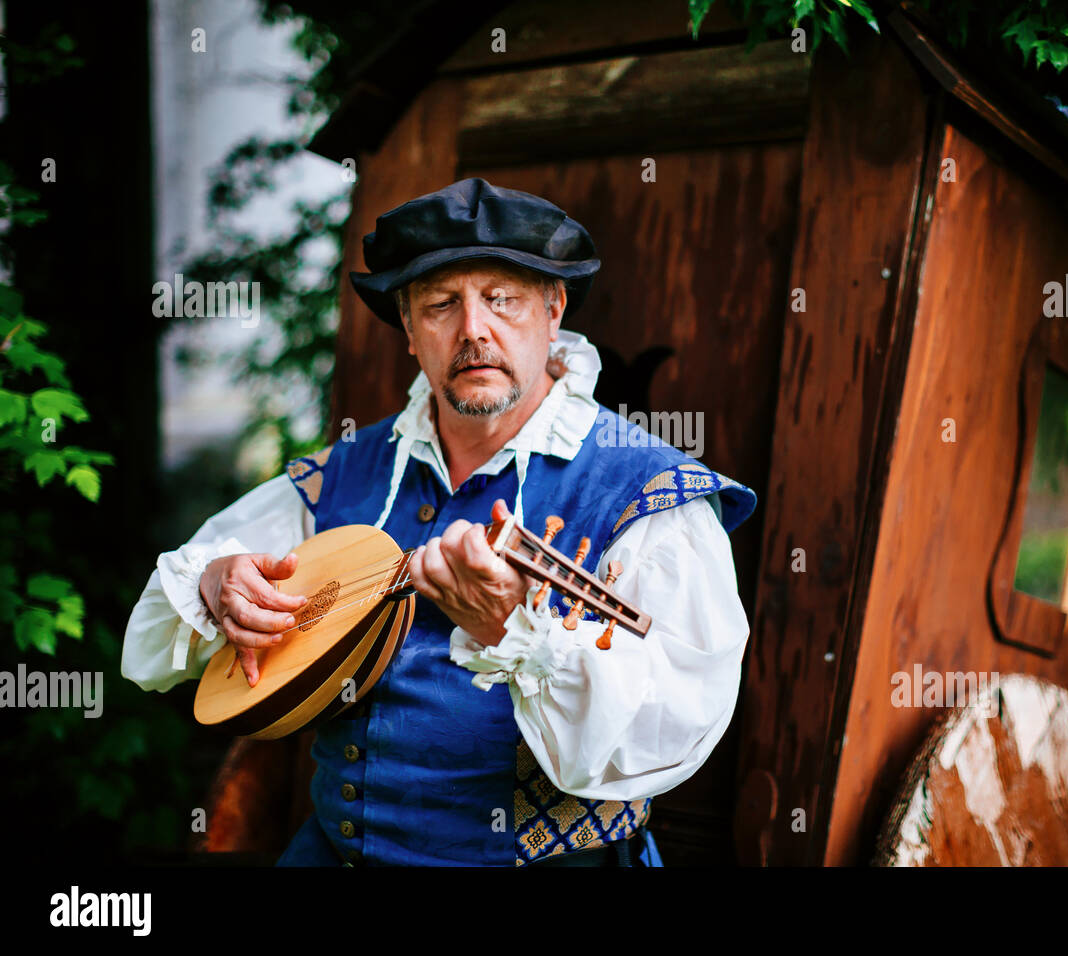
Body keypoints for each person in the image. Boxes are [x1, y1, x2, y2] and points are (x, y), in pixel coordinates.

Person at [122, 177, 757, 867]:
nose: (473, 329)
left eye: (502, 299)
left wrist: (509, 631)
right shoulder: (342, 472)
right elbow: (156, 647)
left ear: (554, 311)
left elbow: (671, 733)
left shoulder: (646, 493)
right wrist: (220, 585)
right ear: (408, 331)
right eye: (440, 304)